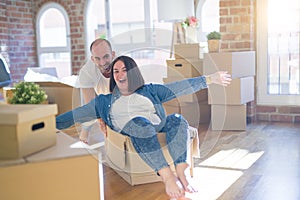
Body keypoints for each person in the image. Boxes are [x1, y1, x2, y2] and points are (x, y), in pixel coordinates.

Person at [56, 55, 232, 199]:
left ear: (133, 73)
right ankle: (167, 176)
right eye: (116, 71)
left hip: (158, 128)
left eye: (125, 70)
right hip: (137, 129)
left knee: (177, 119)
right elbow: (76, 115)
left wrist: (210, 79)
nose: (119, 74)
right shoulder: (104, 102)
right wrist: (47, 123)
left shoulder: (150, 90)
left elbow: (179, 87)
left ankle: (181, 172)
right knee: (140, 122)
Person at [77, 38, 115, 143]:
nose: (103, 62)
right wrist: (100, 120)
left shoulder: (123, 65)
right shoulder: (86, 72)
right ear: (93, 59)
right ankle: (84, 137)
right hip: (100, 92)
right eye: (98, 58)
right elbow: (91, 104)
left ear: (113, 54)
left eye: (106, 57)